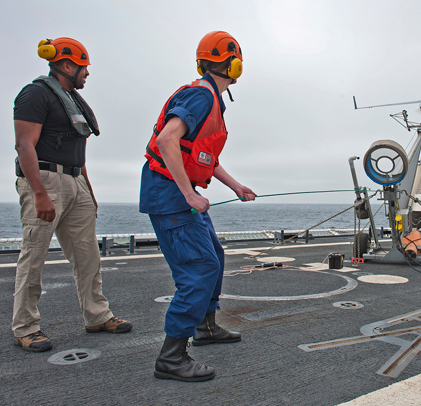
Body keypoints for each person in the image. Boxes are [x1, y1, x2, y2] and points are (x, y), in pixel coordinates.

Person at [140, 31, 256, 382]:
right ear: (233, 62)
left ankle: (207, 327)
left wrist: (235, 186)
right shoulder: (201, 96)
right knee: (200, 268)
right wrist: (190, 195)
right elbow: (167, 139)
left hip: (179, 189)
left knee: (214, 257)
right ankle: (171, 357)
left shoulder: (210, 100)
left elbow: (203, 156)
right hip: (171, 193)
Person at [12, 37, 133, 352]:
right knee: (34, 256)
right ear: (66, 64)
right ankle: (26, 328)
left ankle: (97, 315)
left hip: (76, 181)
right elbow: (25, 145)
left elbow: (78, 149)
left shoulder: (74, 101)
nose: (87, 74)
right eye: (83, 67)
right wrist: (39, 193)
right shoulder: (35, 94)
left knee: (88, 256)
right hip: (46, 179)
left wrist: (88, 191)